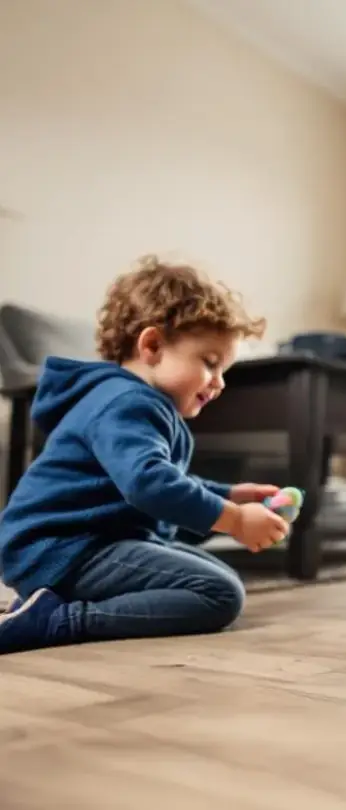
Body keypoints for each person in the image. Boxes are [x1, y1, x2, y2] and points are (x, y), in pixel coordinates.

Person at [0, 255, 290, 653]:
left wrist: (230, 496)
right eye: (210, 363)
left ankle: (48, 603)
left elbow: (163, 481)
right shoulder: (127, 403)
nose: (219, 383)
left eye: (224, 370)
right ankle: (55, 620)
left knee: (216, 574)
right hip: (63, 549)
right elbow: (150, 483)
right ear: (152, 346)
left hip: (82, 546)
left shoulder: (137, 403)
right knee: (219, 593)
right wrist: (235, 520)